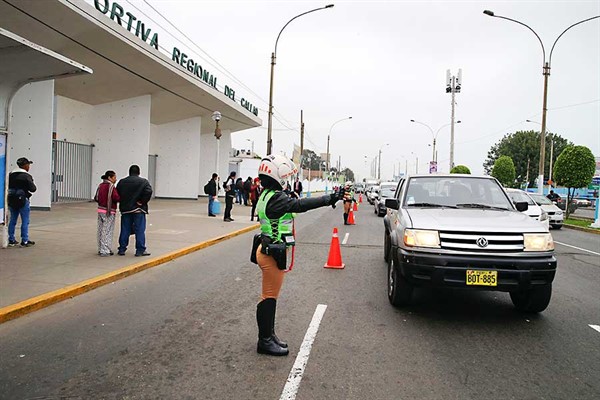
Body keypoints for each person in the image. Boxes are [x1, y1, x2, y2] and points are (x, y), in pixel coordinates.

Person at [252, 154, 339, 356]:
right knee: (268, 297)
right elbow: (301, 205)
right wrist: (329, 198)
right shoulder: (276, 198)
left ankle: (269, 335)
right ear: (277, 176)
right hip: (271, 254)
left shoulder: (266, 195)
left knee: (269, 296)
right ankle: (264, 341)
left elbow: (292, 205)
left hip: (266, 249)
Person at [116, 165, 153, 256]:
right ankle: (140, 250)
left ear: (129, 172)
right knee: (139, 230)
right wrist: (142, 201)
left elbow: (117, 193)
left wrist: (123, 201)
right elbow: (149, 191)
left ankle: (122, 249)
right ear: (139, 172)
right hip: (138, 210)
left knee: (125, 229)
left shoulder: (122, 182)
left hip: (125, 210)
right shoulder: (143, 182)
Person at [7, 157, 37, 247]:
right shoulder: (26, 176)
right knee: (25, 220)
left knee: (13, 220)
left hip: (11, 199)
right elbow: (33, 189)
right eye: (28, 164)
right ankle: (24, 241)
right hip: (23, 200)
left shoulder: (10, 175)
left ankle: (11, 240)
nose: (29, 166)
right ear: (25, 166)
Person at [94, 170, 120, 256]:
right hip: (109, 211)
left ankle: (101, 248)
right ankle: (105, 250)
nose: (115, 179)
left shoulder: (100, 185)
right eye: (114, 177)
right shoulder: (111, 186)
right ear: (109, 177)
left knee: (101, 229)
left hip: (100, 210)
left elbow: (96, 197)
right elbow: (116, 198)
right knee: (107, 230)